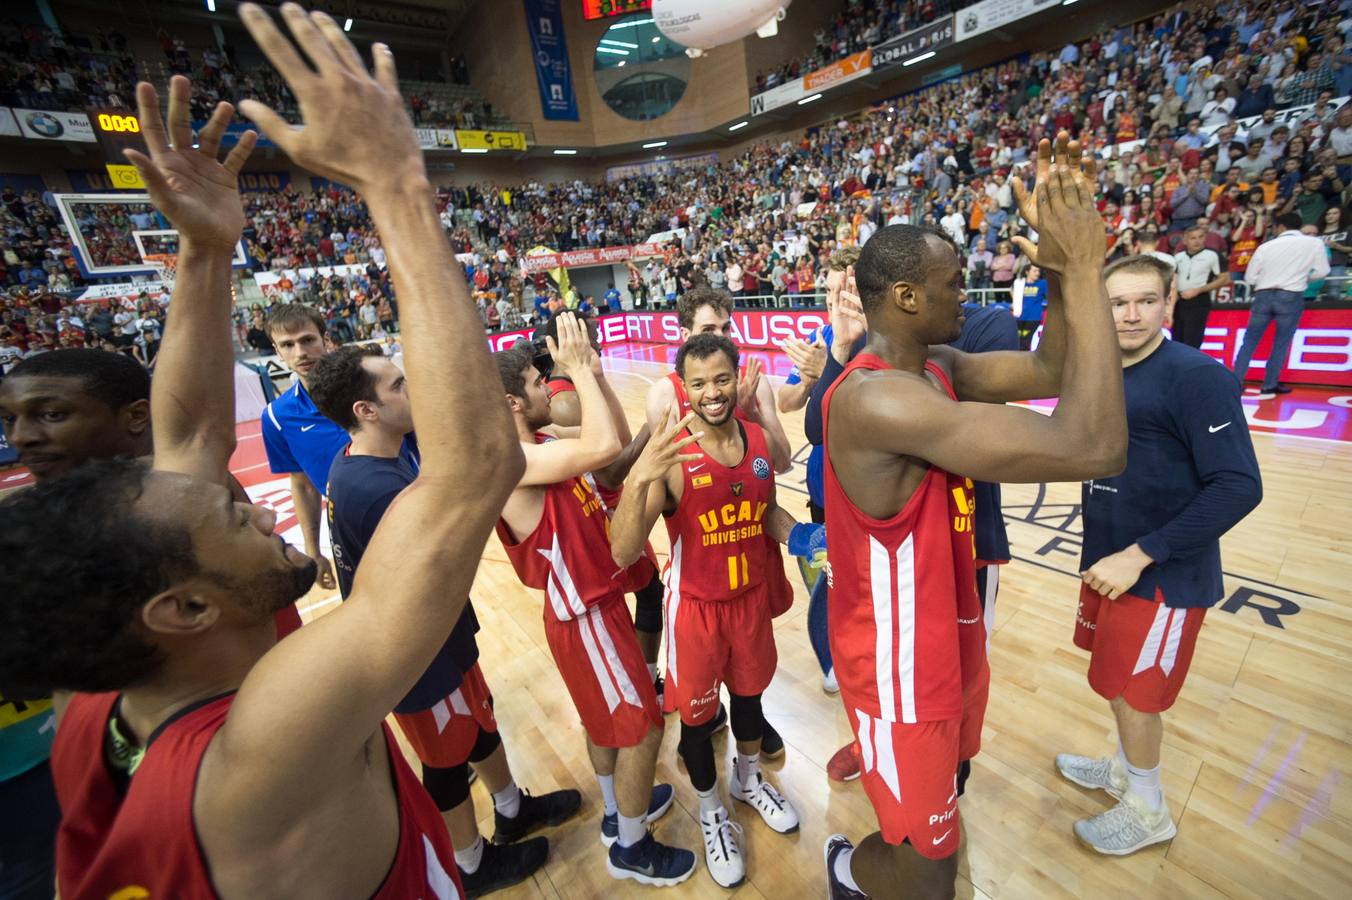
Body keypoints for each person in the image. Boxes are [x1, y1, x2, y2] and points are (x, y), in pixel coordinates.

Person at [0, 11, 522, 894]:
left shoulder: (100, 698)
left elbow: (194, 438)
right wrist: (394, 184)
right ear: (186, 608)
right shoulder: (263, 748)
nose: (250, 502)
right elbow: (474, 466)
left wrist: (205, 248)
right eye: (232, 515)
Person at [819, 135, 1128, 900]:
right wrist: (1090, 270)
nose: (972, 296)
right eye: (956, 285)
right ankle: (847, 870)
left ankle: (887, 844)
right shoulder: (877, 399)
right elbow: (1093, 445)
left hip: (949, 640)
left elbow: (1053, 368)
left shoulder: (934, 367)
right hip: (897, 673)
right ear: (908, 299)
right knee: (929, 882)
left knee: (944, 802)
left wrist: (1059, 272)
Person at [308, 343, 581, 896]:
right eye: (397, 386)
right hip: (412, 656)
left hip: (440, 634)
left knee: (479, 723)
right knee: (447, 760)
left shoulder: (379, 457)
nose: (410, 391)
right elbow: (446, 557)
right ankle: (471, 863)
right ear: (367, 410)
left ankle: (510, 811)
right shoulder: (373, 487)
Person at [1057, 253, 1261, 854]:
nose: (1131, 314)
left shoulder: (1197, 376)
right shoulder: (1101, 371)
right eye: (1118, 302)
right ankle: (1123, 769)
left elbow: (1240, 485)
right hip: (1110, 565)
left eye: (1147, 300)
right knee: (1115, 684)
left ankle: (1149, 810)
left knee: (1138, 695)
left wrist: (1143, 553)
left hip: (1159, 574)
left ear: (1170, 303)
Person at [610, 333, 827, 889]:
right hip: (697, 612)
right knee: (699, 721)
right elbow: (623, 550)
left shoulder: (755, 439)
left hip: (750, 602)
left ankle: (748, 781)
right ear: (683, 388)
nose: (712, 393)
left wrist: (800, 535)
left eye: (722, 379)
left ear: (738, 379)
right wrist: (639, 477)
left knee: (751, 702)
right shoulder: (674, 455)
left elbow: (766, 513)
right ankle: (711, 811)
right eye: (699, 383)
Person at [493, 316, 695, 887]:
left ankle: (614, 809)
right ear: (512, 401)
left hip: (588, 614)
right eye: (540, 382)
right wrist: (578, 369)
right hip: (586, 617)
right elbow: (604, 443)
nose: (549, 389)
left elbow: (609, 460)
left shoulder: (544, 445)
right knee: (643, 729)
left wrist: (600, 379)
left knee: (606, 724)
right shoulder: (513, 462)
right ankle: (632, 847)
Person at [642, 287, 791, 756]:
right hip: (703, 547)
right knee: (705, 677)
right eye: (709, 329)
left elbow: (781, 461)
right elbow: (662, 484)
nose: (722, 336)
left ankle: (753, 713)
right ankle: (710, 715)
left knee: (751, 654)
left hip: (752, 528)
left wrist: (751, 410)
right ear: (685, 334)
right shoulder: (666, 391)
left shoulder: (747, 380)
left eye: (727, 328)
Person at [539, 312, 668, 698]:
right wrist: (655, 426)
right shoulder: (564, 402)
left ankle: (643, 678)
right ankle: (638, 682)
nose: (595, 342)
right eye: (588, 335)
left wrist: (598, 378)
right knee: (637, 596)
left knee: (647, 591)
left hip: (604, 502)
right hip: (599, 509)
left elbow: (620, 440)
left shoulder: (583, 384)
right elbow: (612, 471)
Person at [1231, 212, 1329, 398]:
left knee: (1249, 342)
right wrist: (1301, 277)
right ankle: (1269, 385)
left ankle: (1236, 382)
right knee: (1281, 343)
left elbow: (1249, 277)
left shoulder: (1266, 246)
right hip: (1291, 294)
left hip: (1263, 294)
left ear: (1280, 227)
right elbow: (1322, 271)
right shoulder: (1313, 243)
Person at [1171, 226, 1231, 348]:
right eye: (1193, 238)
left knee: (1193, 340)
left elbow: (1225, 279)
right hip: (1179, 301)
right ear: (1185, 241)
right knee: (1177, 339)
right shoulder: (1178, 257)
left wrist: (1199, 290)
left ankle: (1191, 366)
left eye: (1200, 237)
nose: (1197, 241)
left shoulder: (1213, 255)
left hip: (1199, 301)